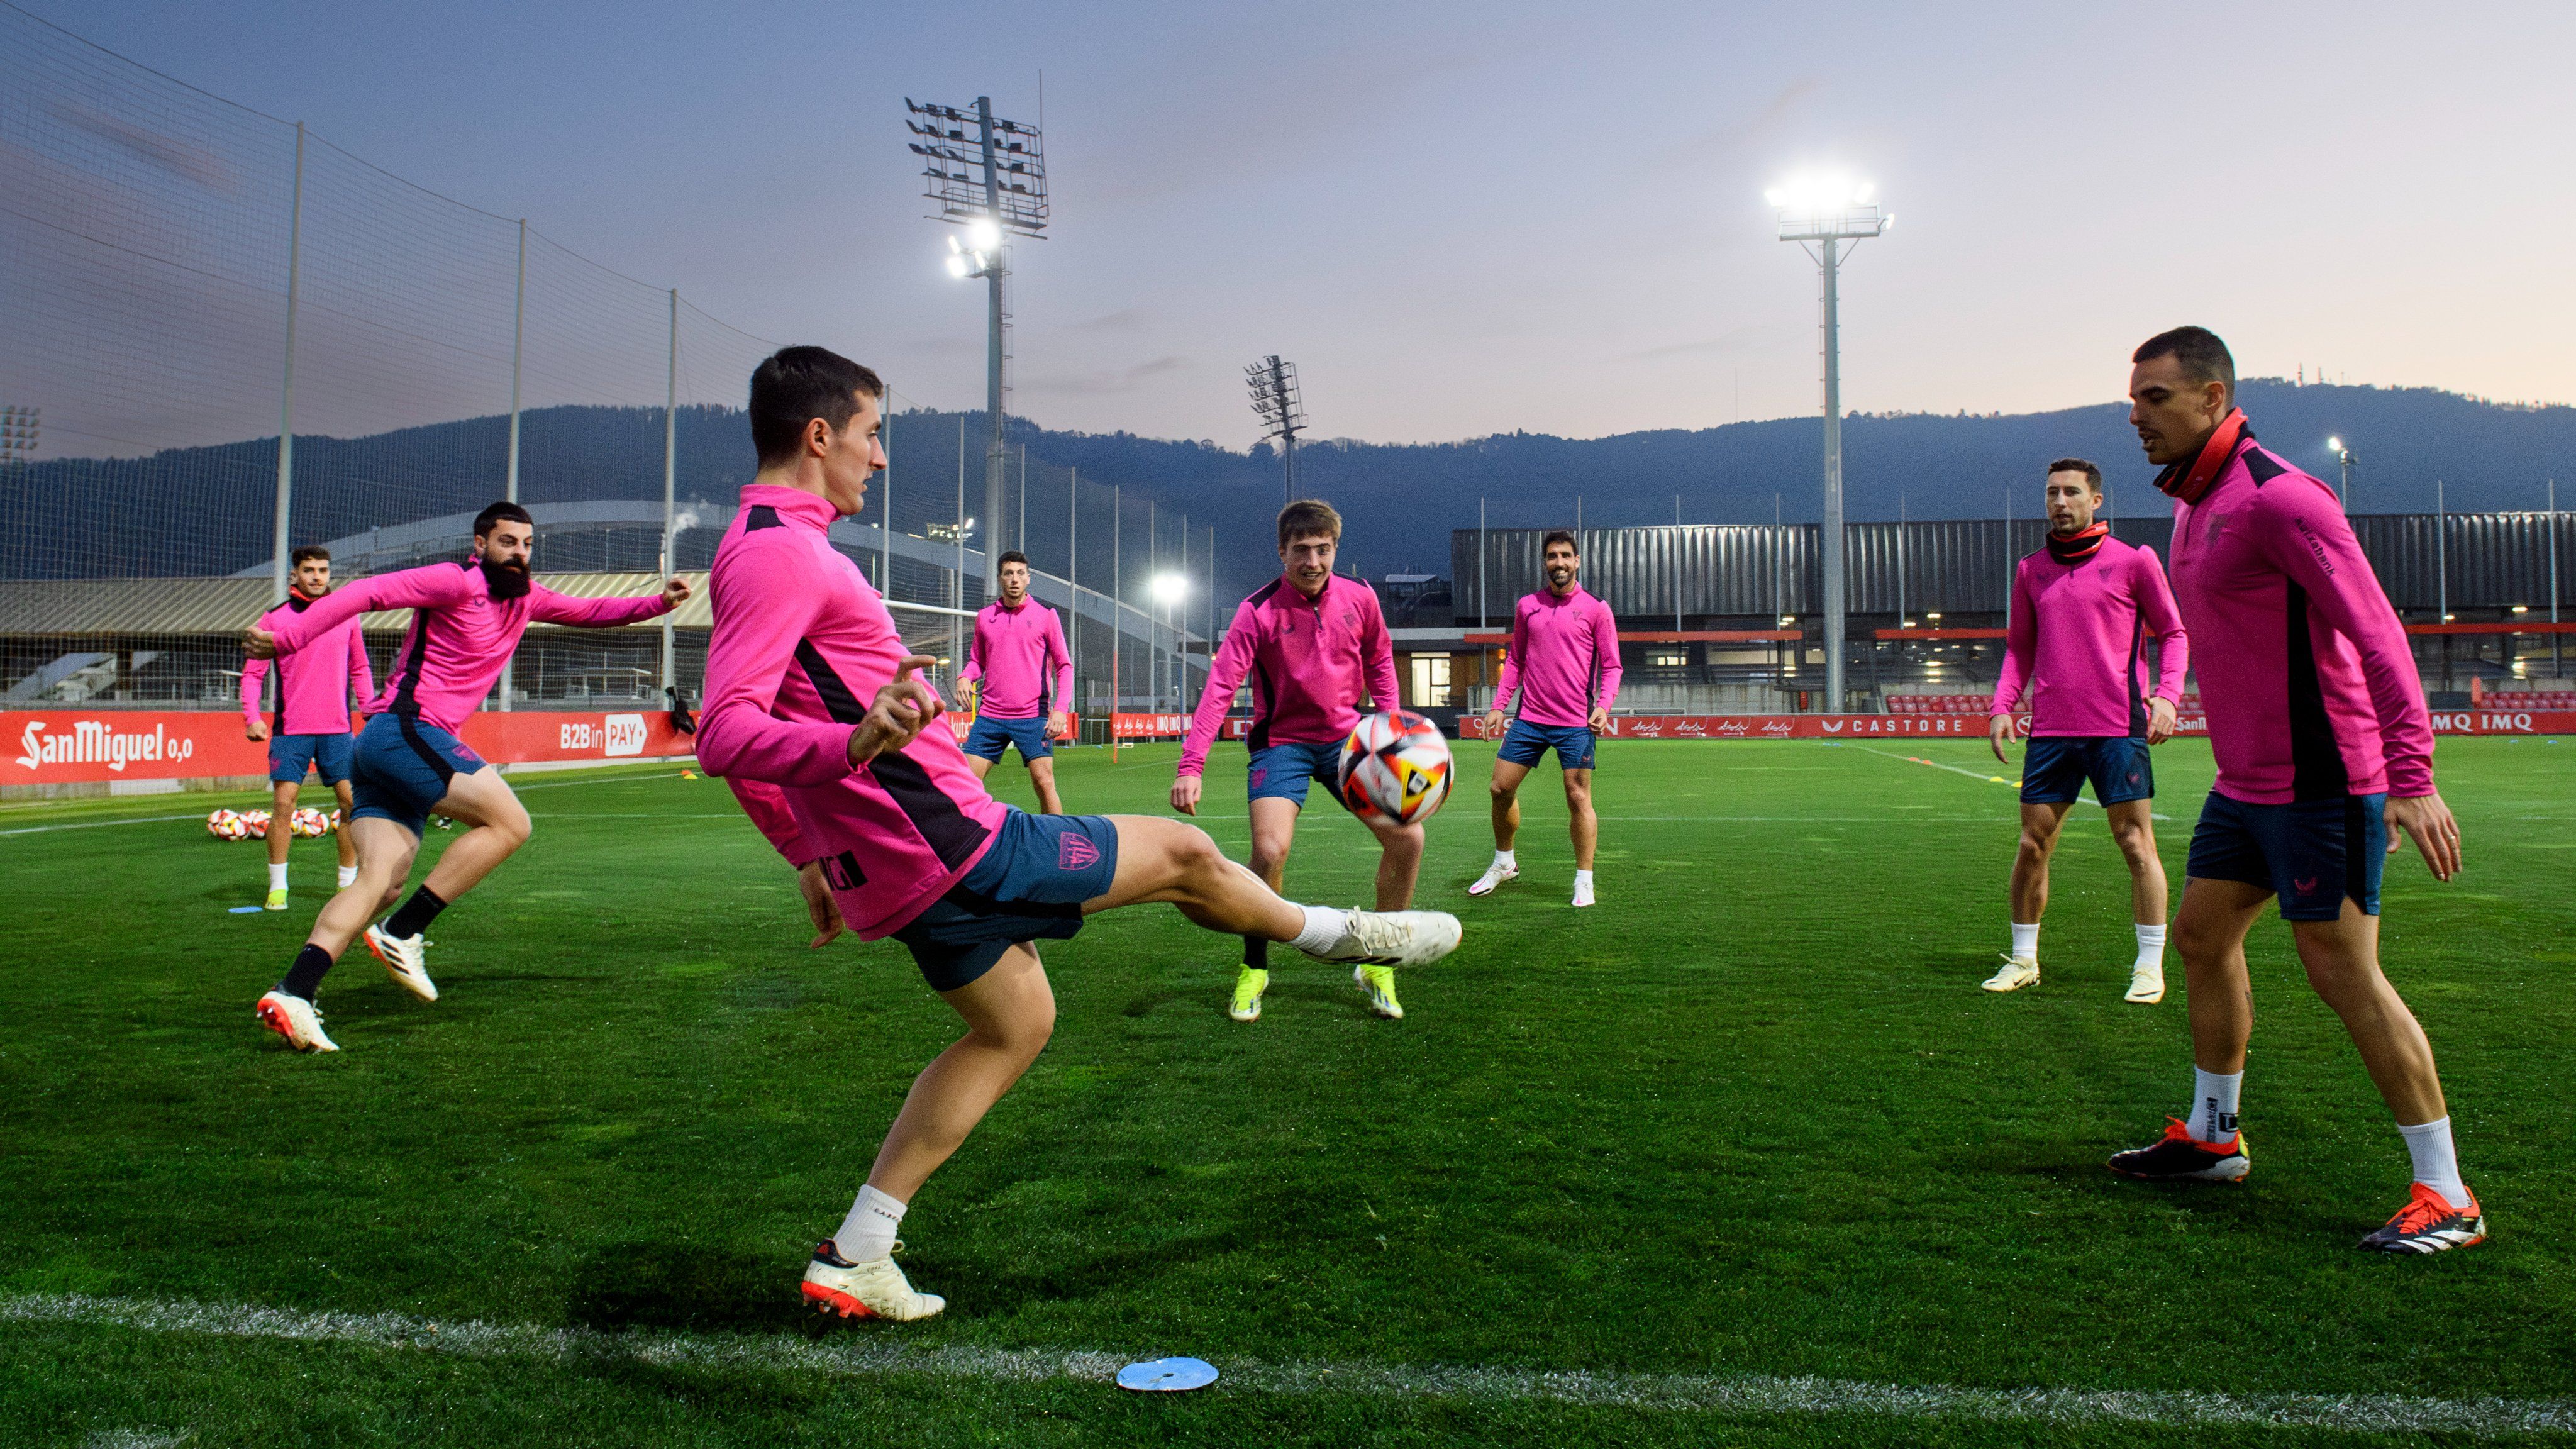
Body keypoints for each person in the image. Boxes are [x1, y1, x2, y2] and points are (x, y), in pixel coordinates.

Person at [701, 347, 1458, 1323]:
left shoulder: (765, 539)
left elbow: (762, 719)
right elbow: (726, 730)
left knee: (1017, 1026)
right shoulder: (778, 551)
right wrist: (852, 746)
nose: (879, 459)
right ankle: (1346, 935)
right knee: (1187, 857)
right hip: (951, 842)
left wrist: (804, 848)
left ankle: (858, 1252)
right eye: (871, 434)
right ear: (819, 436)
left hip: (901, 860)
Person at [2107, 325, 2480, 1254]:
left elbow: (2380, 635)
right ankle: (2214, 1137)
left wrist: (2410, 778)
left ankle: (2448, 1194)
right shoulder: (2196, 504)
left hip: (2324, 784)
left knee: (2344, 975)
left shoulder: (2284, 500)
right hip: (2247, 788)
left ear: (2213, 397)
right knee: (2199, 939)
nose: (2137, 415)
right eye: (2134, 398)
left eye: (2155, 398)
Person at [242, 502, 688, 1052]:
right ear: (480, 545)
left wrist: (658, 603)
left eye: (526, 545)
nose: (518, 554)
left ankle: (294, 991)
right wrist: (291, 636)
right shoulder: (453, 583)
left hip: (386, 744)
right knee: (510, 824)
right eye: (507, 543)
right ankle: (404, 931)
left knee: (380, 881)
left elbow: (593, 609)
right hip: (406, 730)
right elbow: (368, 594)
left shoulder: (528, 599)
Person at [1173, 499, 1418, 1024]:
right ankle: (1255, 968)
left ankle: (1379, 963)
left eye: (1323, 549)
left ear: (1335, 549)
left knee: (1408, 838)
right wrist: (1191, 766)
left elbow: (1379, 661)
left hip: (1346, 743)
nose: (1313, 560)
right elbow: (1219, 689)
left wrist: (1391, 729)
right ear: (1282, 552)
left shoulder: (1361, 598)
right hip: (1281, 742)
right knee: (1268, 850)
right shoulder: (1257, 610)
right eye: (1302, 550)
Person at [1982, 458, 2189, 1002]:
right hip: (2051, 731)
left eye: (2072, 492)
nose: (2059, 502)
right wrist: (2004, 705)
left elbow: (2173, 632)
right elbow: (2020, 648)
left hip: (2118, 725)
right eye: (2052, 492)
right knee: (2032, 845)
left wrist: (2168, 695)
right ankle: (2024, 960)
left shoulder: (2135, 562)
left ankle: (2149, 967)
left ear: (2096, 501)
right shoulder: (2032, 570)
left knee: (2135, 842)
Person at [1470, 530, 1621, 908]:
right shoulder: (1527, 607)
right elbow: (1516, 660)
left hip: (1575, 722)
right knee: (1500, 789)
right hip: (1530, 718)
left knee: (1578, 797)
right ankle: (1504, 862)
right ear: (1545, 562)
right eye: (1552, 556)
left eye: (1566, 556)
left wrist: (1604, 704)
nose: (1559, 563)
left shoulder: (1596, 608)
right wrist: (1497, 706)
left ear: (1577, 561)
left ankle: (1583, 880)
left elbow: (1612, 665)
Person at [241, 544, 374, 910]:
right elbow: (253, 675)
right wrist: (251, 716)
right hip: (291, 730)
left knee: (350, 803)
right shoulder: (274, 620)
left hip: (338, 731)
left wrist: (370, 710)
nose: (317, 576)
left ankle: (346, 885)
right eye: (310, 570)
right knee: (283, 805)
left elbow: (360, 668)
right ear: (294, 576)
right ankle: (278, 887)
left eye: (324, 570)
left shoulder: (346, 617)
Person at [957, 550, 1074, 814]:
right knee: (965, 785)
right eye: (1009, 573)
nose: (1014, 579)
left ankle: (1055, 846)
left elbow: (1065, 667)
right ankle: (973, 849)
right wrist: (965, 676)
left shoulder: (1046, 616)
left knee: (1044, 783)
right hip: (991, 716)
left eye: (1020, 574)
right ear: (1000, 578)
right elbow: (977, 661)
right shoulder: (985, 617)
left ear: (1028, 579)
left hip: (1033, 716)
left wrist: (1060, 709)